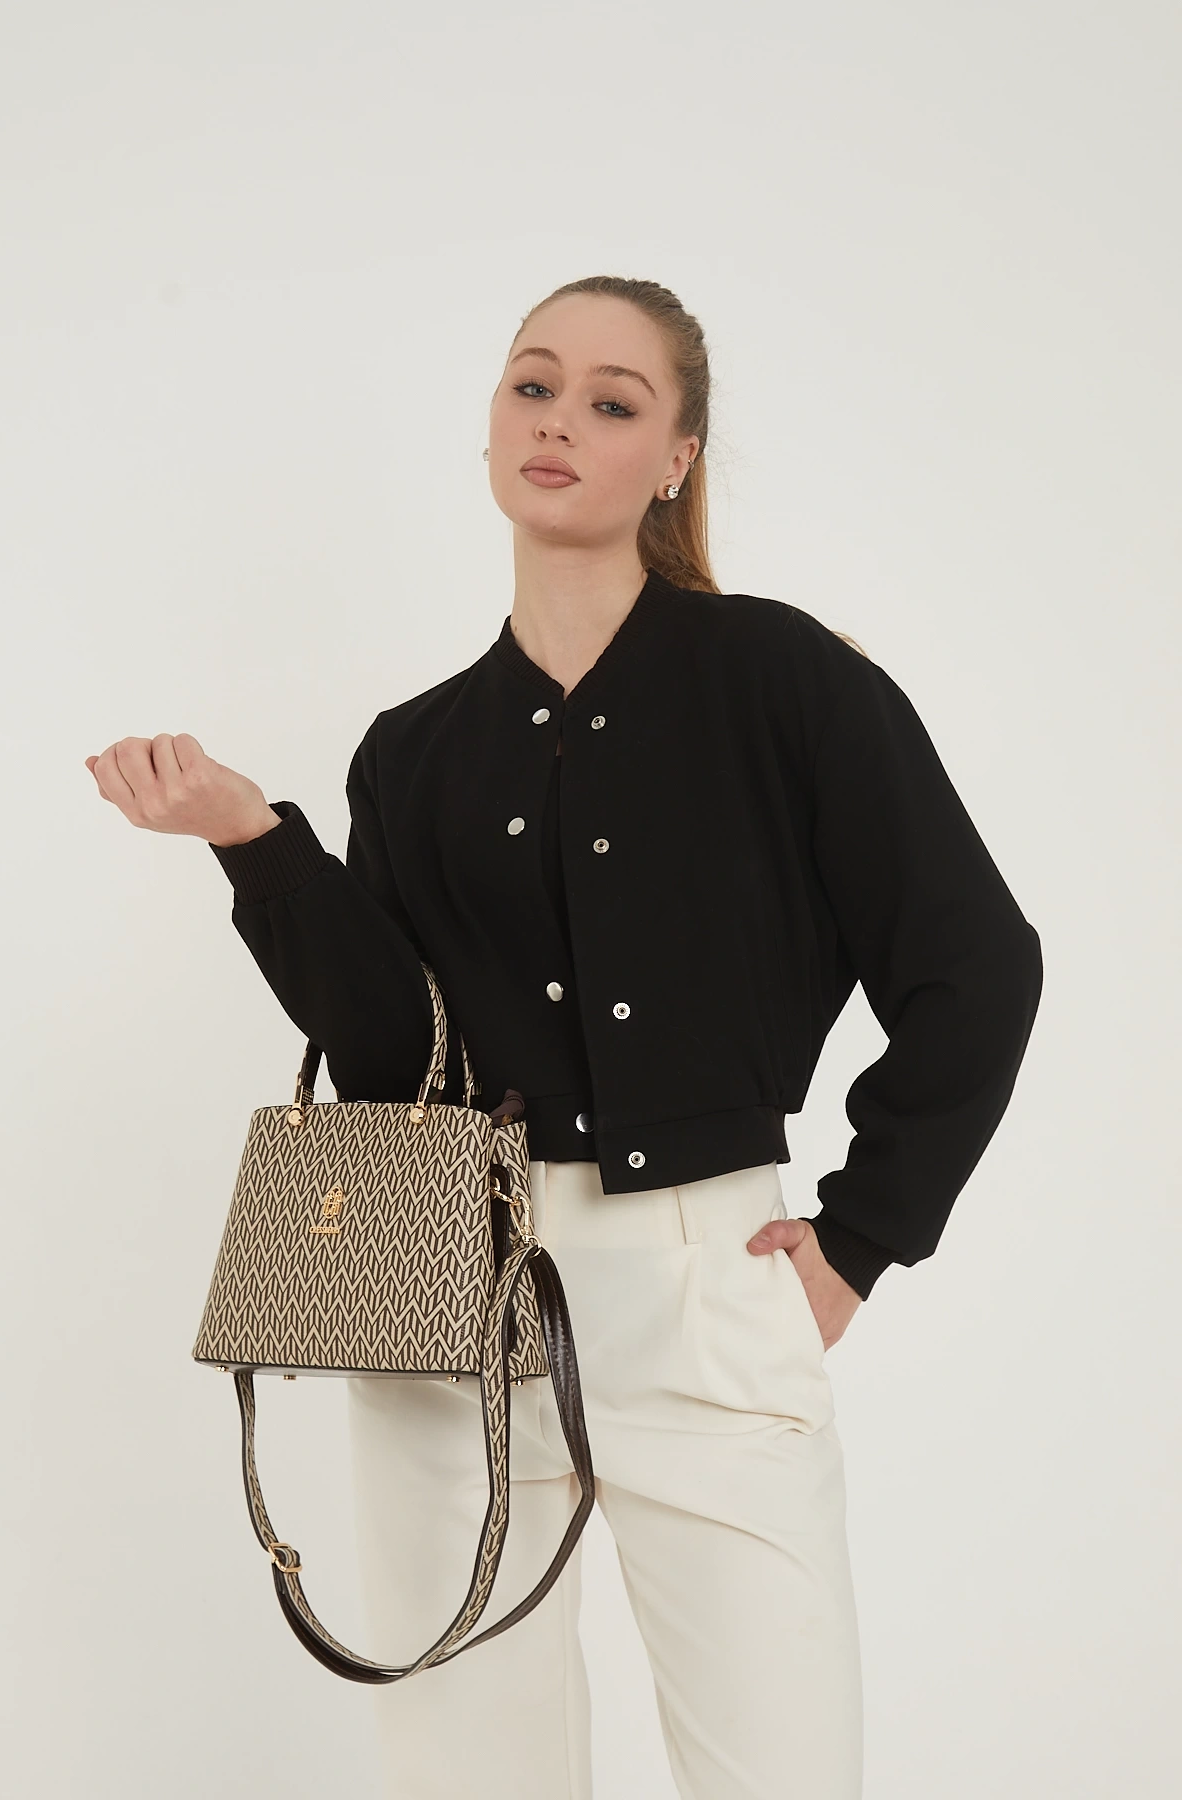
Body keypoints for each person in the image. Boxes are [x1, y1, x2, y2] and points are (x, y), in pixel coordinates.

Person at [84, 274, 1043, 1800]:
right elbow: (399, 1060)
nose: (560, 423)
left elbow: (976, 964)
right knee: (465, 1765)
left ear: (676, 457)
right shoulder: (414, 748)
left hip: (707, 1283)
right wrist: (256, 842)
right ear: (489, 427)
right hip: (449, 1294)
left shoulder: (783, 680)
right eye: (533, 387)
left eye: (612, 402)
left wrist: (865, 1236)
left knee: (783, 1766)